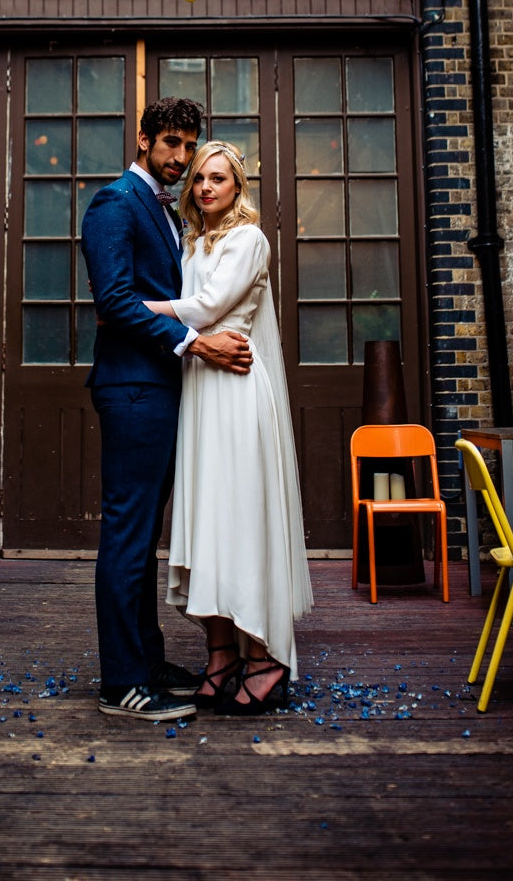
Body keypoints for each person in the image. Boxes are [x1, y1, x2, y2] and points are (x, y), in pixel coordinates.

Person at [81, 99, 253, 722]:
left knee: (142, 538)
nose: (182, 158)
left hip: (159, 388)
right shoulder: (115, 202)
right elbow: (117, 301)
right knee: (126, 537)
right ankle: (121, 683)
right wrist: (193, 342)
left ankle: (148, 662)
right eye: (172, 144)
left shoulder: (161, 209)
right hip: (133, 389)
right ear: (145, 140)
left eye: (190, 146)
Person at [144, 141, 312, 714]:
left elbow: (209, 306)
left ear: (238, 187)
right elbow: (194, 305)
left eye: (218, 179)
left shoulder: (249, 239)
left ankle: (265, 656)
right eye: (198, 180)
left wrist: (137, 308)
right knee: (209, 519)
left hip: (236, 388)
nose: (206, 188)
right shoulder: (192, 241)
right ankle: (222, 655)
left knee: (240, 519)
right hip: (200, 386)